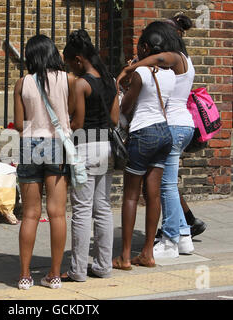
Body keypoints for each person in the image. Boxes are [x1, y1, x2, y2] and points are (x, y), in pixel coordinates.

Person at [14, 34, 76, 289]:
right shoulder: (68, 80)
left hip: (30, 144)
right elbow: (69, 116)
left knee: (30, 214)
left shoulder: (22, 83)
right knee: (57, 213)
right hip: (58, 145)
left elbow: (19, 124)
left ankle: (25, 275)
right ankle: (54, 274)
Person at [112, 22, 175, 270]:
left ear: (146, 47)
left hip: (143, 133)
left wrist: (121, 82)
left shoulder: (140, 74)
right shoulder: (170, 74)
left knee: (130, 196)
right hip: (164, 133)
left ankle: (125, 256)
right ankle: (147, 252)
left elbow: (125, 108)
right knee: (154, 195)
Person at [60, 29, 119, 282]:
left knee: (82, 211)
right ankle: (104, 266)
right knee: (103, 208)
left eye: (68, 64)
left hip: (84, 148)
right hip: (106, 147)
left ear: (78, 60)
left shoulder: (82, 84)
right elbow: (115, 119)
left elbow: (79, 123)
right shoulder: (110, 81)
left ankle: (78, 270)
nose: (69, 69)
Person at [165, 13, 207, 238]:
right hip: (184, 123)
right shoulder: (185, 59)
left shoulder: (172, 59)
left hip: (173, 124)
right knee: (167, 180)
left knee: (166, 184)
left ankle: (176, 233)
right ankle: (185, 224)